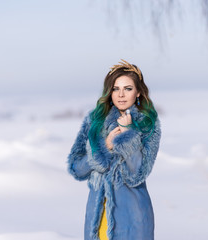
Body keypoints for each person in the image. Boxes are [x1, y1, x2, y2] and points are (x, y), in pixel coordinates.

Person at [67, 59, 161, 240]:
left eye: (128, 88)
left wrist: (128, 136)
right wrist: (105, 147)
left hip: (133, 216)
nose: (121, 95)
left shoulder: (147, 124)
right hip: (97, 214)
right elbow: (76, 168)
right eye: (116, 89)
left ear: (139, 92)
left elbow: (138, 173)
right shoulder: (94, 121)